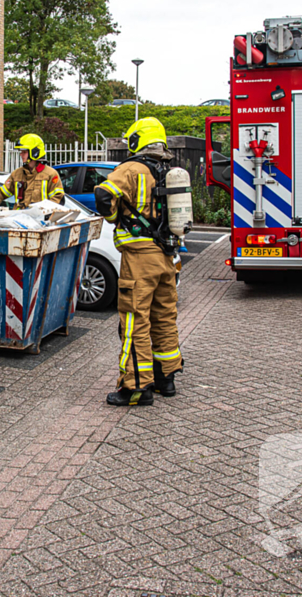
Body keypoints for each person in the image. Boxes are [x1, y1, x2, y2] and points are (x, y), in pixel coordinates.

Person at [93, 117, 183, 406]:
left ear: (137, 140)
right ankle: (165, 379)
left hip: (140, 256)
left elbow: (103, 195)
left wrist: (114, 218)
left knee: (134, 320)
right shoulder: (167, 171)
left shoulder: (131, 168)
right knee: (164, 316)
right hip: (166, 255)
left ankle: (136, 388)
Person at [0, 133, 65, 209]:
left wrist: (44, 212)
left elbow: (58, 198)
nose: (21, 154)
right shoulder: (17, 174)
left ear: (35, 152)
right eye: (21, 152)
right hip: (19, 217)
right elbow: (1, 193)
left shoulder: (50, 174)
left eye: (24, 152)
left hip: (40, 218)